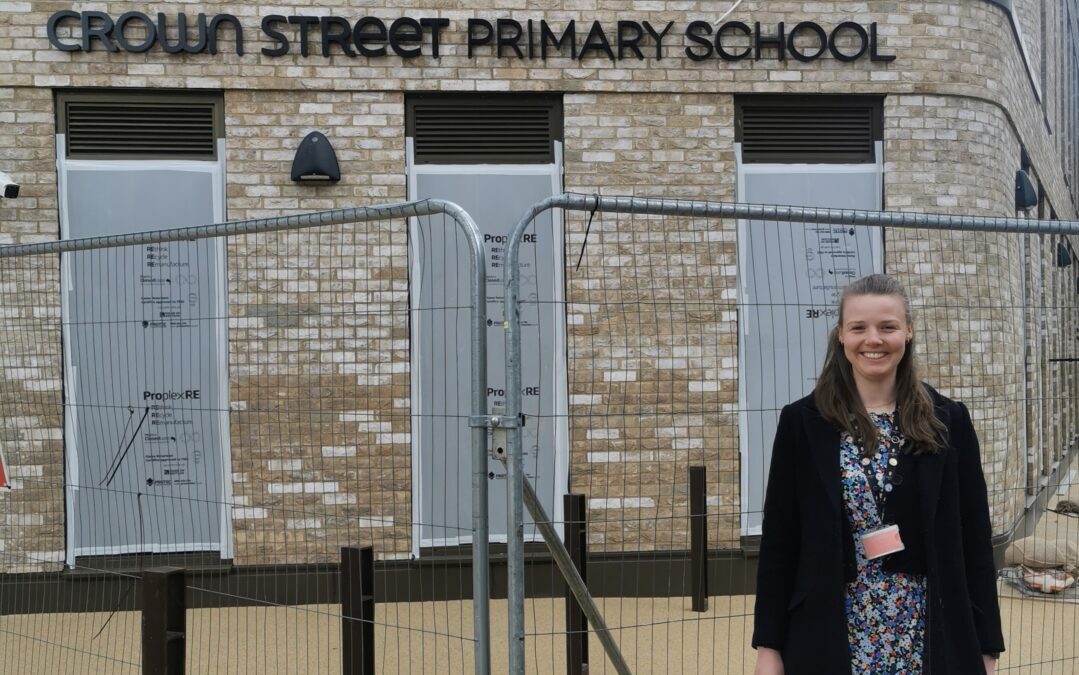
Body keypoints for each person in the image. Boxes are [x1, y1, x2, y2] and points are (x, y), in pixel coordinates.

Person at [751, 274, 1004, 674]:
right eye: (859, 328)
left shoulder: (948, 420)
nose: (874, 339)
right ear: (841, 336)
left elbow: (974, 539)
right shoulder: (803, 422)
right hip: (831, 628)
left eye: (887, 326)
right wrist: (768, 646)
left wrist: (987, 647)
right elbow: (781, 541)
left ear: (908, 331)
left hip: (926, 626)